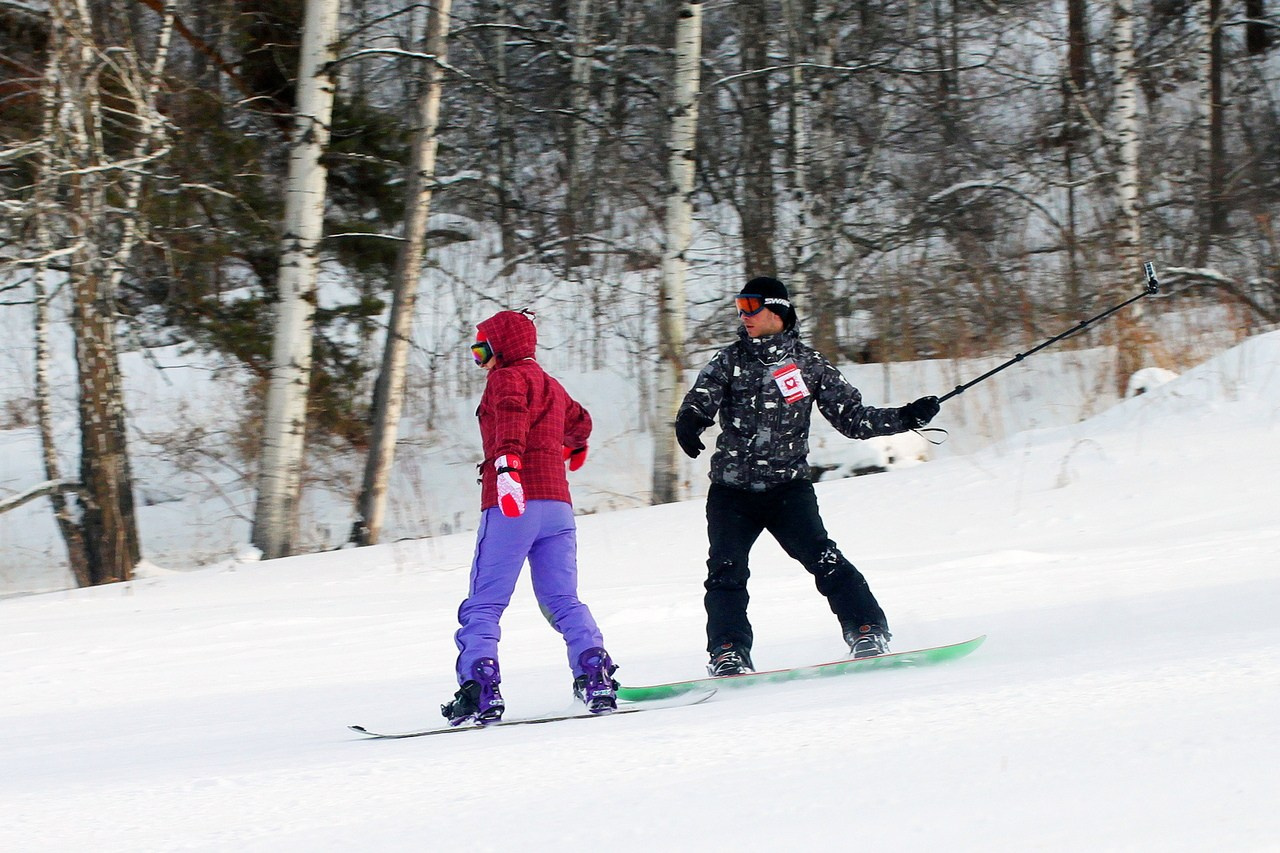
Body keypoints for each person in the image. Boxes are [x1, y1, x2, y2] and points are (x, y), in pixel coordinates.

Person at [674, 277, 940, 676]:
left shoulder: (809, 365)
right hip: (732, 491)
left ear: (777, 311)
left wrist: (905, 417)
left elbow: (854, 419)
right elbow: (700, 399)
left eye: (751, 307)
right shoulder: (728, 361)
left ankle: (868, 630)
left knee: (824, 559)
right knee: (725, 573)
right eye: (739, 307)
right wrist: (690, 421)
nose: (743, 315)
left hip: (788, 490)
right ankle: (728, 652)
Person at [442, 309, 619, 725]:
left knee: (484, 605)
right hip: (557, 507)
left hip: (513, 504)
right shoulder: (551, 385)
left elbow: (510, 420)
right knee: (562, 599)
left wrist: (507, 470)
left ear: (501, 346)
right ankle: (595, 674)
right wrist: (574, 445)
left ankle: (479, 688)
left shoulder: (505, 378)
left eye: (481, 345)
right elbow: (581, 421)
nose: (477, 354)